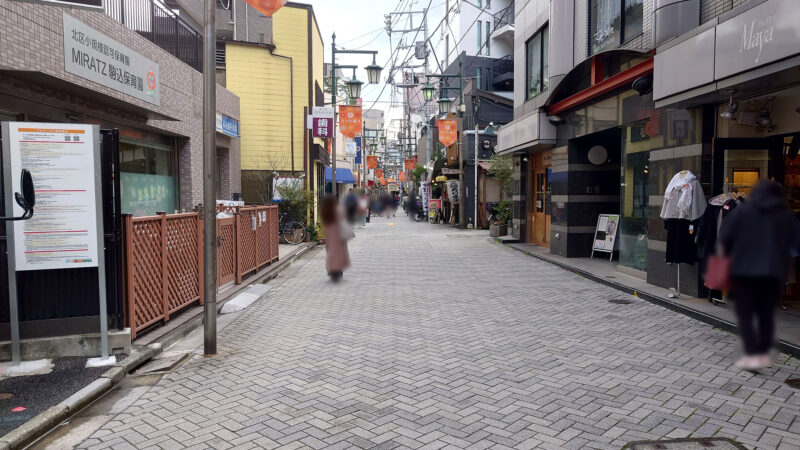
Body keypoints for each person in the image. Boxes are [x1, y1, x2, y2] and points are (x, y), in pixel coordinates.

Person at [719, 180, 800, 370]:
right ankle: (763, 351)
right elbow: (796, 245)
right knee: (765, 314)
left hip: (744, 273)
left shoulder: (742, 212)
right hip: (773, 274)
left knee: (745, 315)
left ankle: (753, 353)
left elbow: (725, 238)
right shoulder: (786, 216)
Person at [320, 195, 350, 282]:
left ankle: (332, 270)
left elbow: (324, 224)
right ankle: (339, 270)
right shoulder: (339, 210)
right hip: (339, 235)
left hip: (330, 235)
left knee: (331, 252)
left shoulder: (325, 211)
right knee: (340, 253)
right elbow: (344, 220)